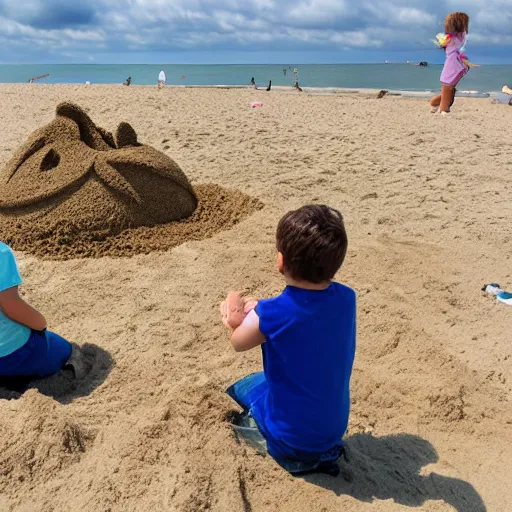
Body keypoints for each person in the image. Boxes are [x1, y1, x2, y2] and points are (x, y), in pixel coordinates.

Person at [221, 205, 356, 475]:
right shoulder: (347, 297)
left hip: (291, 440)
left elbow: (238, 342)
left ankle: (277, 447)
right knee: (280, 381)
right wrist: (260, 310)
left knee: (240, 388)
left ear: (280, 261)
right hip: (332, 429)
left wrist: (233, 318)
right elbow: (304, 318)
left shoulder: (271, 314)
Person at [0, 242, 77, 379]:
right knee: (64, 349)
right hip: (11, 353)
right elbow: (11, 306)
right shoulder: (2, 253)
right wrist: (41, 324)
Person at [429, 12, 479, 114]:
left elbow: (452, 47)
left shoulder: (457, 37)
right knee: (448, 87)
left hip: (455, 64)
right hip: (455, 64)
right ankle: (440, 107)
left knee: (448, 87)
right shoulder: (455, 37)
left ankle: (440, 106)